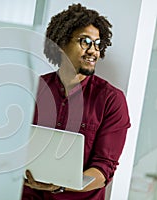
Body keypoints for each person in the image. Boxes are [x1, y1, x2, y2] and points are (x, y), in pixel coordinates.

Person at [21, 3, 131, 200]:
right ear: (61, 43)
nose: (93, 51)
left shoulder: (111, 100)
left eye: (97, 44)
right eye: (85, 41)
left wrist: (59, 187)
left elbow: (103, 170)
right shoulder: (33, 88)